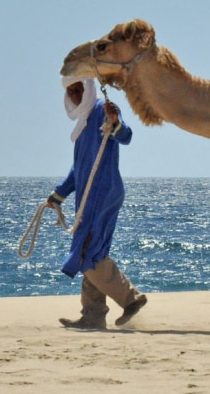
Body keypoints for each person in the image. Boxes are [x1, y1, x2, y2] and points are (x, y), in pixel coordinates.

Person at [45, 76, 147, 330]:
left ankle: (131, 299)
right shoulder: (82, 124)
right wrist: (59, 195)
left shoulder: (103, 109)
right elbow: (78, 169)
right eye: (71, 92)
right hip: (91, 195)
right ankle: (93, 316)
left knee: (87, 251)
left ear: (88, 88)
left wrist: (116, 123)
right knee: (92, 250)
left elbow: (126, 135)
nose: (76, 96)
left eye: (79, 90)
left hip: (102, 193)